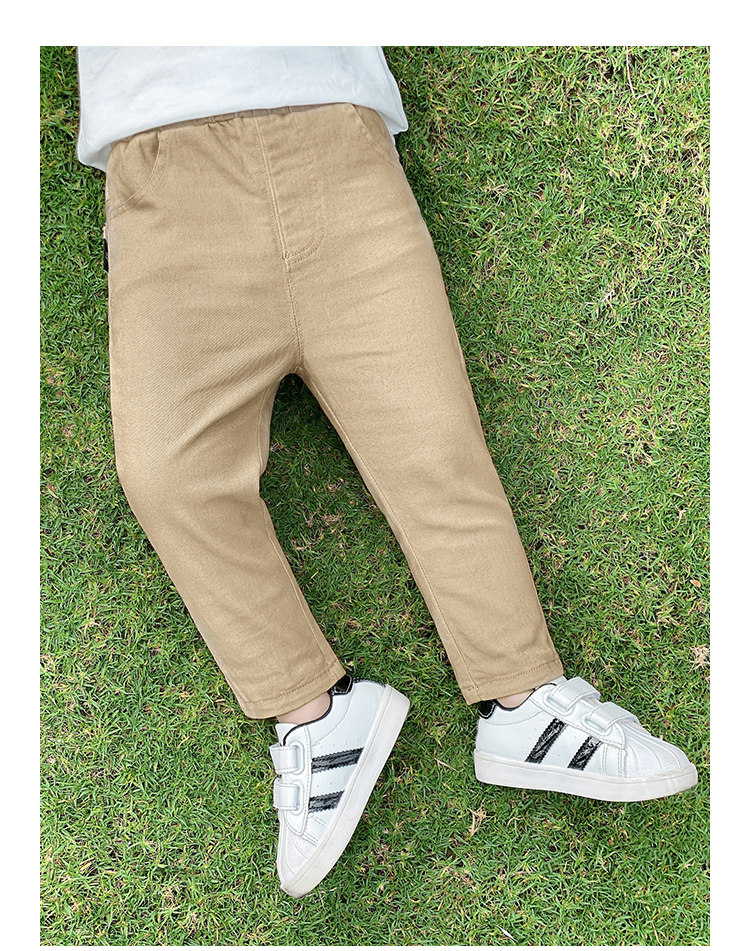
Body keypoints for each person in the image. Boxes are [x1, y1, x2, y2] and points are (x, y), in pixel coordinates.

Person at [75, 45, 698, 898]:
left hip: (336, 139)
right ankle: (314, 715)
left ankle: (524, 701)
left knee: (434, 446)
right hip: (162, 181)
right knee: (165, 476)